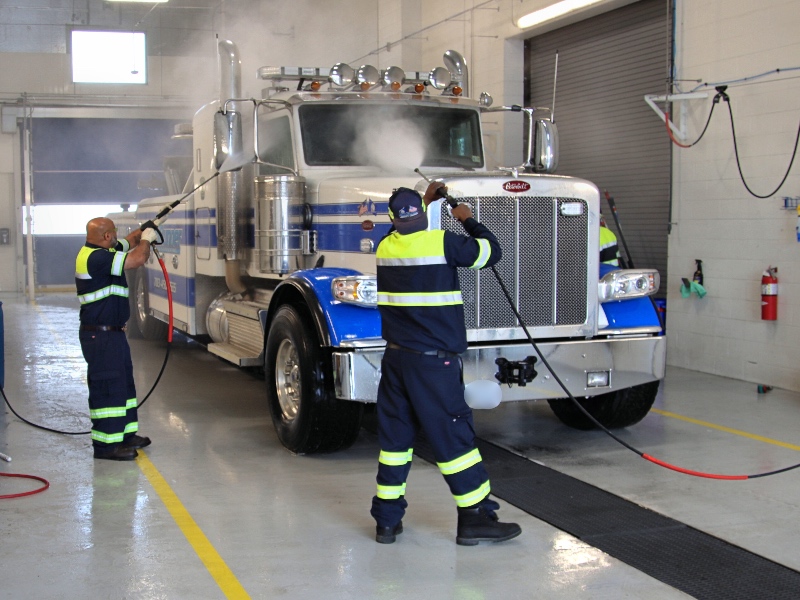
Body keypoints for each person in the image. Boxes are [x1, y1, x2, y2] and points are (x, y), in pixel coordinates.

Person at [370, 181, 521, 546]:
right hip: (433, 366)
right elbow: (491, 252)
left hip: (396, 361)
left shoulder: (385, 248)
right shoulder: (443, 241)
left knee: (395, 441)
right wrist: (467, 219)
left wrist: (419, 201)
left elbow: (401, 225)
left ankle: (387, 522)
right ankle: (475, 518)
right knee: (454, 439)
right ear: (424, 216)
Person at [75, 217, 159, 461]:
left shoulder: (101, 249)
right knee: (108, 388)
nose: (117, 237)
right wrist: (146, 241)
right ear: (106, 237)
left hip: (113, 333)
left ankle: (125, 435)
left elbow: (128, 242)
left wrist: (144, 231)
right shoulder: (96, 258)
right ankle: (105, 447)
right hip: (99, 336)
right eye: (114, 233)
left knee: (123, 386)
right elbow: (137, 258)